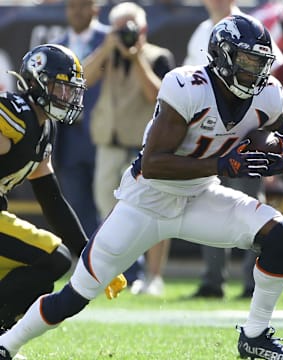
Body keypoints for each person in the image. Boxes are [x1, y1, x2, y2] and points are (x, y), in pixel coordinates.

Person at [0, 14, 283, 360]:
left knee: (282, 234)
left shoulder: (267, 94)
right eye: (247, 61)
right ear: (222, 56)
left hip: (200, 194)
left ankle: (255, 337)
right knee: (76, 295)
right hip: (145, 200)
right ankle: (6, 345)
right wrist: (222, 164)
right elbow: (154, 164)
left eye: (260, 63)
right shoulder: (188, 86)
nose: (254, 72)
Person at [0, 43, 126, 338]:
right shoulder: (15, 115)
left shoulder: (43, 130)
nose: (67, 97)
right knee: (53, 257)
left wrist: (89, 255)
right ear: (35, 82)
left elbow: (52, 199)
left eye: (71, 90)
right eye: (60, 88)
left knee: (42, 276)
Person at [183, 0, 283, 299]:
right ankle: (213, 280)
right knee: (210, 205)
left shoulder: (253, 28)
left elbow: (269, 79)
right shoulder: (202, 30)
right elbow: (191, 80)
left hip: (246, 133)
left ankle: (254, 281)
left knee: (251, 205)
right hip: (210, 133)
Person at [84, 2, 175, 293]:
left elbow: (158, 96)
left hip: (145, 148)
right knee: (107, 212)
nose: (124, 35)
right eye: (119, 29)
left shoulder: (158, 56)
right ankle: (114, 275)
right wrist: (106, 48)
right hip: (109, 143)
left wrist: (136, 58)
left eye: (129, 29)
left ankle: (154, 276)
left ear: (143, 29)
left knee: (153, 212)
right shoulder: (106, 55)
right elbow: (81, 81)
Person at [53, 0, 108, 238]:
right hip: (69, 138)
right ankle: (88, 266)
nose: (77, 11)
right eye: (72, 6)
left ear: (95, 8)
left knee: (111, 207)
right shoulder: (57, 47)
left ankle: (127, 270)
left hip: (104, 134)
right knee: (77, 208)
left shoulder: (111, 40)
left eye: (83, 5)